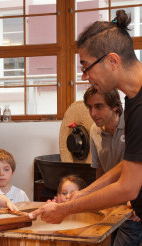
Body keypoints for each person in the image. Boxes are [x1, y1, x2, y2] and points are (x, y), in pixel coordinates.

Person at [29, 10, 142, 225]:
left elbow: (128, 186)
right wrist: (83, 194)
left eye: (86, 66)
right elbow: (130, 164)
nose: (84, 76)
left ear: (112, 61)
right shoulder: (133, 98)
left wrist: (66, 209)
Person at [84, 86, 142, 246]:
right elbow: (100, 172)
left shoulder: (133, 125)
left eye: (99, 107)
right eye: (89, 107)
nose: (93, 113)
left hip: (132, 209)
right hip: (111, 207)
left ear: (116, 107)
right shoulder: (93, 131)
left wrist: (135, 205)